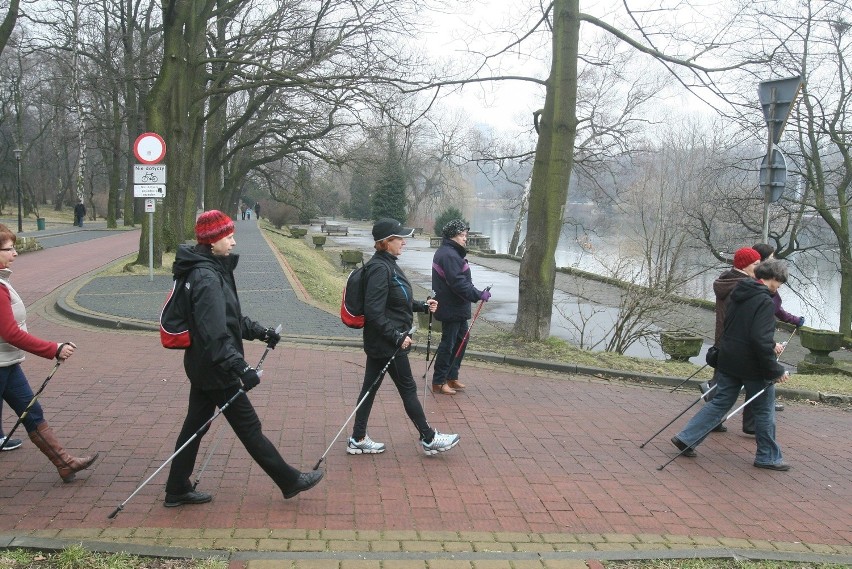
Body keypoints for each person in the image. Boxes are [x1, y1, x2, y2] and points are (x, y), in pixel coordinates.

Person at [163, 210, 323, 507]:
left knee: (195, 426)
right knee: (248, 426)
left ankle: (176, 488)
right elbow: (214, 332)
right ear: (212, 241)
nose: (234, 242)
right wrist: (241, 367)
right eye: (228, 236)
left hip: (203, 364)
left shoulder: (207, 268)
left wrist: (260, 332)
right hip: (216, 367)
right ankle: (289, 480)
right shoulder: (207, 276)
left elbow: (229, 319)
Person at [347, 218, 460, 456]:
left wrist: (421, 305)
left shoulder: (388, 263)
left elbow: (396, 299)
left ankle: (357, 438)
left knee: (370, 388)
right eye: (400, 238)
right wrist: (397, 337)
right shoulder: (380, 268)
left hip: (384, 342)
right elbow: (374, 312)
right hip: (387, 343)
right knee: (407, 388)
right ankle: (428, 438)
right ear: (386, 242)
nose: (404, 242)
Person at [671, 259, 792, 471]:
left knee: (720, 402)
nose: (779, 286)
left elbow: (737, 327)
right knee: (764, 410)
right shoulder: (764, 302)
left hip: (729, 360)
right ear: (769, 279)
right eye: (778, 281)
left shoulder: (739, 293)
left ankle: (687, 437)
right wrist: (775, 369)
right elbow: (759, 339)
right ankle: (767, 456)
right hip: (753, 366)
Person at [0, 223, 99, 479]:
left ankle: (64, 463)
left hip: (8, 363)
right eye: (9, 249)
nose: (15, 253)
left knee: (32, 413)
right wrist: (53, 349)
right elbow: (10, 333)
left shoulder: (3, 282)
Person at [430, 219, 491, 394]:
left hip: (457, 306)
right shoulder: (448, 255)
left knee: (461, 341)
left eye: (466, 235)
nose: (465, 238)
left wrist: (476, 293)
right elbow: (457, 282)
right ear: (452, 236)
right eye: (462, 235)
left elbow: (461, 281)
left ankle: (451, 376)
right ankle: (439, 381)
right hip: (451, 306)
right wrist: (478, 294)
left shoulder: (452, 253)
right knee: (448, 343)